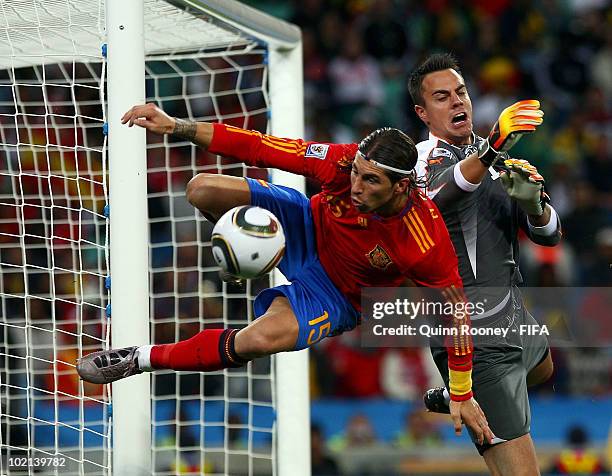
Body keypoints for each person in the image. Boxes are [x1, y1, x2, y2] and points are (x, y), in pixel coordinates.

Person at [77, 102, 494, 444]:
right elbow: (262, 148)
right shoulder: (342, 163)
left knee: (257, 340)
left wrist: (461, 390)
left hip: (335, 296)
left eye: (370, 181)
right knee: (202, 188)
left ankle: (138, 359)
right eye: (356, 174)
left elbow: (454, 314)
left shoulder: (424, 238)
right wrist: (177, 126)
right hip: (303, 226)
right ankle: (255, 256)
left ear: (401, 188)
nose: (356, 186)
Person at [408, 53, 560, 475]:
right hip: (475, 338)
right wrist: (494, 148)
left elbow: (549, 235)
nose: (457, 103)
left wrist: (534, 206)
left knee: (545, 367)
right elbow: (431, 205)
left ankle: (456, 395)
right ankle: (467, 390)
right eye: (442, 97)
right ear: (423, 112)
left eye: (461, 93)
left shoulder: (497, 160)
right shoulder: (418, 159)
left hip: (515, 318)